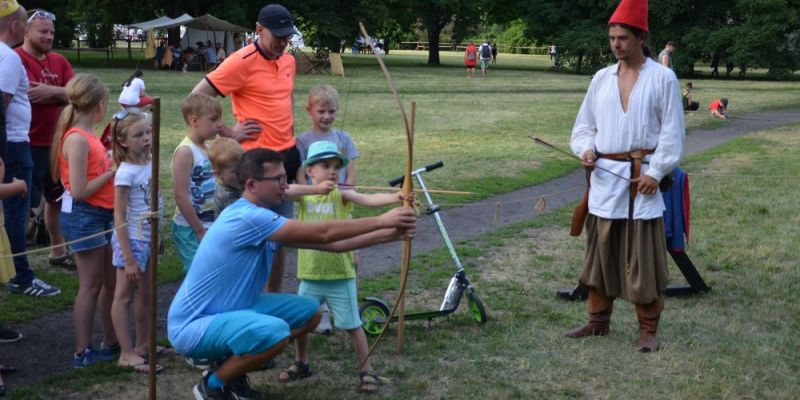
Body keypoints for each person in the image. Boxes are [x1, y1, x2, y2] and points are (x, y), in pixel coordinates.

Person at [167, 148, 416, 400]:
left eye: (285, 176)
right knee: (274, 331)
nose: (285, 185)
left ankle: (229, 367)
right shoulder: (247, 217)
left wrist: (392, 234)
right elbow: (324, 233)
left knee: (310, 312)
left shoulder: (264, 216)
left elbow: (334, 245)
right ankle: (213, 385)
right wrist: (382, 221)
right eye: (278, 179)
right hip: (194, 325)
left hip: (231, 310)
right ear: (253, 185)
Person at [567, 0, 684, 353]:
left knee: (643, 260)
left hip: (641, 183)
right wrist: (586, 151)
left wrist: (656, 170)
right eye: (612, 38)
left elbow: (672, 133)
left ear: (641, 37)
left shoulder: (663, 77)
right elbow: (584, 128)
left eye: (622, 38)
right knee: (600, 255)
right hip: (604, 181)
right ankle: (597, 321)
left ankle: (648, 329)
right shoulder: (601, 78)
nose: (615, 44)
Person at [191, 4, 302, 293]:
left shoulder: (288, 61)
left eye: (287, 36)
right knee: (253, 241)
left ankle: (271, 303)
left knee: (278, 242)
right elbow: (196, 98)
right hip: (255, 164)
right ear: (258, 29)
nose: (283, 42)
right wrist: (229, 132)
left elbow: (286, 97)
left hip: (286, 160)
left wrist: (289, 128)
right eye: (277, 36)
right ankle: (243, 303)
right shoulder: (240, 61)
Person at [287, 141, 409, 393]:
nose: (333, 171)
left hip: (340, 274)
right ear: (310, 171)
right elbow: (285, 190)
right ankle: (301, 363)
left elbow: (366, 198)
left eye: (336, 167)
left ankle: (367, 369)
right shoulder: (303, 196)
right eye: (325, 166)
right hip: (310, 274)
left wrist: (395, 197)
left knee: (353, 324)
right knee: (301, 322)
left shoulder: (341, 193)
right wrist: (315, 189)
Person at [50, 73, 121, 366]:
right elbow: (78, 191)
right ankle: (82, 351)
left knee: (109, 284)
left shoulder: (89, 136)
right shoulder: (78, 139)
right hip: (85, 217)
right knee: (91, 285)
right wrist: (112, 171)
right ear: (100, 105)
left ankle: (111, 341)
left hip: (101, 215)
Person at [0, 0, 61, 297]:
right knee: (15, 211)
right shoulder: (9, 58)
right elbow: (2, 106)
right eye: (25, 25)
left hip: (13, 145)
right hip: (13, 145)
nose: (25, 30)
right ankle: (21, 276)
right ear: (15, 26)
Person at [296, 84, 359, 334]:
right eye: (321, 111)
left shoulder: (343, 138)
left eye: (332, 112)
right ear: (309, 111)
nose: (327, 117)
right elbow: (300, 173)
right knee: (315, 255)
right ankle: (317, 315)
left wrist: (346, 192)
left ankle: (344, 306)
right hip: (314, 205)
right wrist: (309, 195)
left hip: (339, 203)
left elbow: (351, 169)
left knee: (349, 254)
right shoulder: (303, 140)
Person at [15, 8, 74, 269]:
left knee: (56, 199)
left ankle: (58, 251)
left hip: (57, 144)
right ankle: (15, 260)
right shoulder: (15, 59)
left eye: (51, 32)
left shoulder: (60, 61)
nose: (49, 36)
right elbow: (28, 93)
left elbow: (79, 94)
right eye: (43, 31)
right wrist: (63, 92)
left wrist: (53, 90)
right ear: (26, 31)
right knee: (21, 205)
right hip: (26, 143)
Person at [108, 111, 165, 374]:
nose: (146, 138)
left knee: (147, 293)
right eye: (138, 135)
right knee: (124, 297)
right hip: (131, 241)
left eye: (148, 132)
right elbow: (119, 214)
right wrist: (128, 258)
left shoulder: (149, 163)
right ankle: (126, 353)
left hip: (148, 238)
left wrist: (158, 236)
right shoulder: (125, 173)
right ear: (122, 141)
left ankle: (144, 345)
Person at [171, 93, 221, 272]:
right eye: (213, 120)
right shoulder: (185, 152)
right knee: (197, 275)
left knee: (211, 272)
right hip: (190, 228)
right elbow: (180, 195)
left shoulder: (208, 149)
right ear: (194, 121)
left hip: (209, 224)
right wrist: (199, 230)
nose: (219, 124)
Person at [207, 137, 244, 218]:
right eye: (235, 172)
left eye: (243, 167)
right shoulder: (226, 195)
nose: (241, 173)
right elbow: (246, 216)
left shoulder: (232, 183)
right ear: (219, 174)